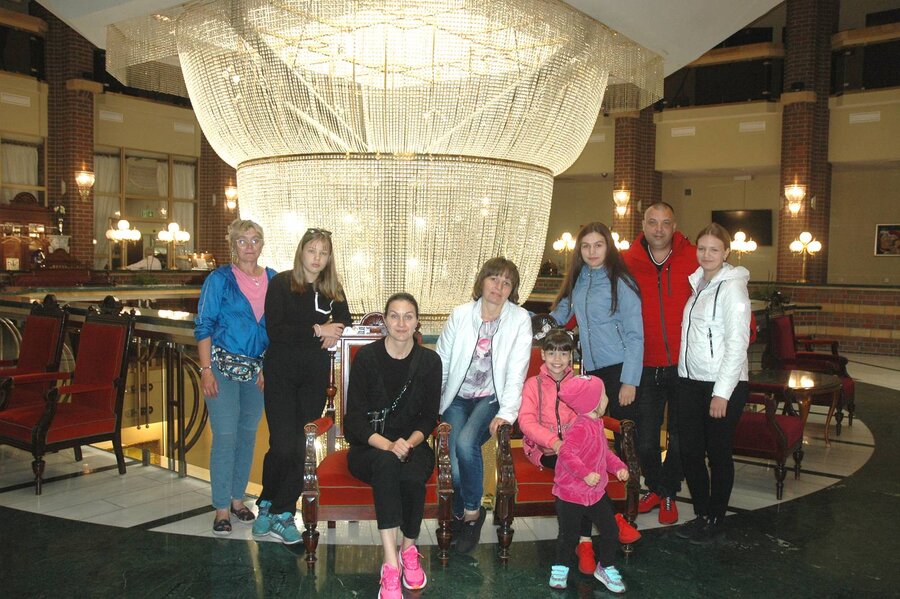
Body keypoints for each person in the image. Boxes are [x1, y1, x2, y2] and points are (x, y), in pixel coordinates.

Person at [253, 227, 352, 544]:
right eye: (312, 250)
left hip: (313, 377)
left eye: (323, 252)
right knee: (281, 443)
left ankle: (281, 512)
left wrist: (335, 331)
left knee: (300, 443)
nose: (317, 258)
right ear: (301, 252)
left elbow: (345, 320)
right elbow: (277, 330)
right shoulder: (281, 283)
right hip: (281, 374)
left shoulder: (332, 289)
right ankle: (268, 501)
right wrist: (317, 329)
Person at [518, 329, 640, 576]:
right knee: (576, 468)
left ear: (571, 356)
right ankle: (610, 521)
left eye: (564, 353)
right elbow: (526, 421)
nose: (557, 359)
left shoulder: (579, 384)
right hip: (544, 449)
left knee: (584, 467)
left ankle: (585, 542)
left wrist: (577, 443)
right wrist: (555, 442)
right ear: (543, 355)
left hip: (575, 448)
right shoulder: (533, 384)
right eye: (551, 353)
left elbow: (586, 417)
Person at [344, 293, 442, 599]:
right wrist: (388, 445)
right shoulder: (366, 358)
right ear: (385, 320)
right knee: (387, 464)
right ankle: (390, 563)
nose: (401, 323)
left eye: (408, 316)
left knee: (412, 475)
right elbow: (354, 420)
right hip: (369, 446)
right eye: (395, 316)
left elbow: (429, 418)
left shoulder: (430, 362)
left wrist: (408, 444)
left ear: (417, 322)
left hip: (413, 445)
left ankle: (408, 549)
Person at [436, 257, 532, 554]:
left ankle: (472, 513)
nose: (499, 287)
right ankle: (459, 514)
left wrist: (507, 413)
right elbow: (442, 360)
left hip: (491, 398)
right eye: (494, 279)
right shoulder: (461, 314)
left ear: (512, 290)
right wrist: (434, 403)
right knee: (453, 461)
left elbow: (517, 371)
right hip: (457, 397)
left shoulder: (519, 319)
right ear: (482, 281)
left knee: (466, 443)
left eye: (506, 283)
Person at [194, 219, 276, 535]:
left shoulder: (274, 279)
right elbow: (204, 326)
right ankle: (221, 508)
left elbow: (278, 329)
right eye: (243, 240)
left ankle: (238, 499)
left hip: (257, 373)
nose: (249, 246)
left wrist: (266, 366)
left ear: (262, 244)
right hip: (220, 369)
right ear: (233, 245)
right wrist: (205, 370)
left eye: (255, 239)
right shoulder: (219, 280)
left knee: (247, 435)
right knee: (225, 436)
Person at [621, 202, 697, 524]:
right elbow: (593, 289)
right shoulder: (626, 261)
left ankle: (667, 494)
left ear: (674, 225)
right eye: (652, 222)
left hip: (685, 365)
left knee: (680, 436)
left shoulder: (693, 257)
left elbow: (721, 287)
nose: (659, 229)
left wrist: (745, 328)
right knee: (645, 439)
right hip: (645, 364)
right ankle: (656, 486)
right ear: (643, 225)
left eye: (666, 222)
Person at [676, 223, 751, 545]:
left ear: (726, 252)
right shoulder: (699, 283)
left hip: (722, 385)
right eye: (702, 248)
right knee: (690, 452)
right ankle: (702, 514)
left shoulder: (733, 288)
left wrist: (721, 393)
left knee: (718, 454)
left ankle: (716, 518)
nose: (706, 255)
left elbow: (737, 344)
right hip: (691, 381)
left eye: (714, 249)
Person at [549, 222, 643, 436]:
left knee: (624, 434)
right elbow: (559, 315)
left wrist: (629, 381)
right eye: (586, 246)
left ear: (608, 247)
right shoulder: (579, 279)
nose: (592, 251)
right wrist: (526, 320)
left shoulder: (621, 281)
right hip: (591, 369)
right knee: (593, 433)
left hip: (619, 368)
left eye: (598, 245)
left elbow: (635, 336)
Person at [548, 371, 629, 593]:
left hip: (595, 493)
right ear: (592, 402)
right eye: (603, 395)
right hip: (571, 494)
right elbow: (566, 454)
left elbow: (604, 453)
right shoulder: (580, 427)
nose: (607, 399)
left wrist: (618, 467)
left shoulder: (597, 424)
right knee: (568, 535)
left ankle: (606, 566)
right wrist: (584, 473)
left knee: (610, 530)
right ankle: (561, 567)